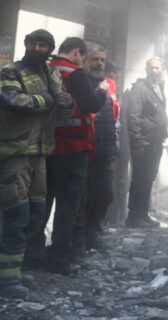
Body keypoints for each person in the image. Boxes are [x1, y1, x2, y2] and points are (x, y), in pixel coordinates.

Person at [0, 29, 74, 299]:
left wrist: (67, 103)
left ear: (50, 49)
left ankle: (14, 270)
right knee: (15, 217)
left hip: (40, 154)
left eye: (43, 45)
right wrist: (50, 100)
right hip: (15, 155)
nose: (37, 48)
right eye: (33, 43)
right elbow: (12, 101)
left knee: (34, 217)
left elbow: (61, 110)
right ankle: (6, 281)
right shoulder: (11, 72)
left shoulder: (52, 74)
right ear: (26, 45)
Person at [26, 37, 107, 275]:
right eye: (84, 57)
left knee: (41, 202)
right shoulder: (75, 73)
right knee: (67, 205)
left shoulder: (44, 69)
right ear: (77, 52)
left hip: (45, 149)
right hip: (72, 149)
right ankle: (58, 258)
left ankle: (32, 255)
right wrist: (101, 93)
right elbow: (91, 105)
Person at [73, 48, 119, 255]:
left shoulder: (108, 86)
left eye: (102, 60)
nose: (99, 63)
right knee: (82, 200)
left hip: (105, 152)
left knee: (104, 196)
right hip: (86, 152)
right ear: (84, 61)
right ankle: (78, 242)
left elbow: (112, 116)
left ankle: (92, 235)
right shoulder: (80, 84)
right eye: (94, 59)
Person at [124, 57, 168, 228]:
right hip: (145, 142)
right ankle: (134, 217)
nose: (153, 71)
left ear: (162, 69)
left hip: (156, 142)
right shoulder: (140, 88)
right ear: (146, 69)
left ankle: (143, 214)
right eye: (150, 68)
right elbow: (133, 116)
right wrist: (137, 141)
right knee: (140, 179)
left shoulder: (158, 87)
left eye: (156, 68)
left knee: (149, 178)